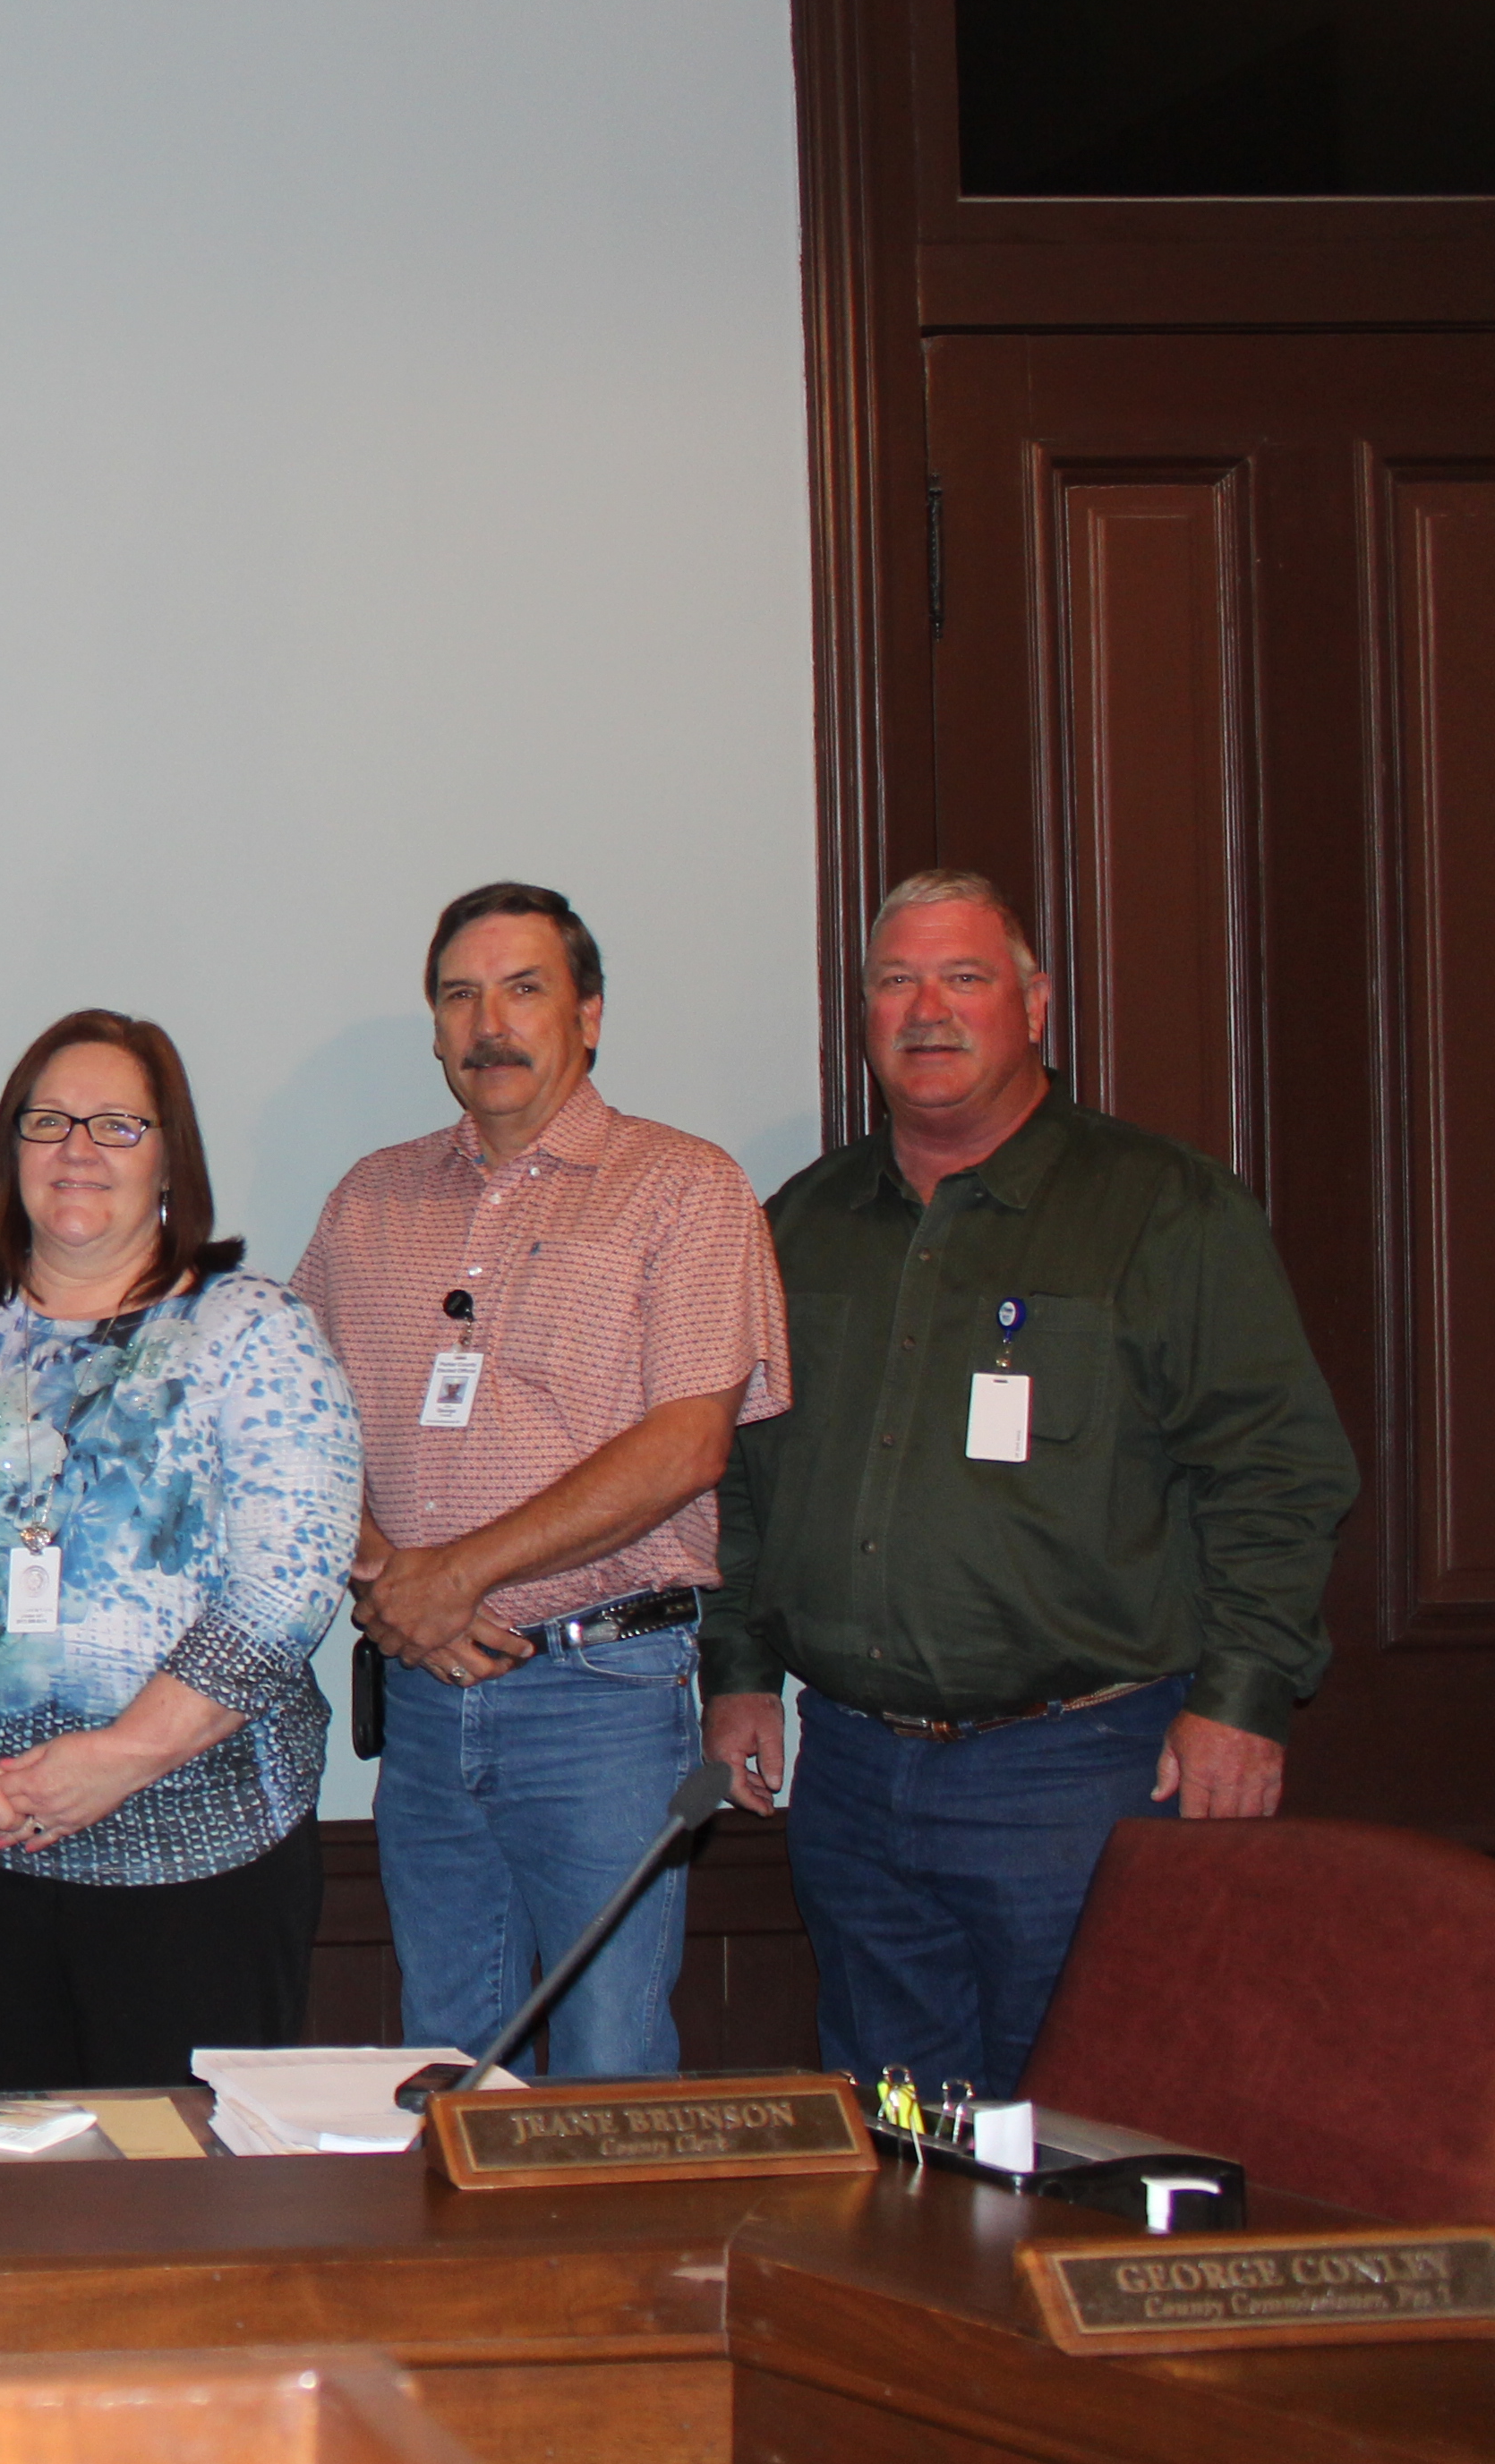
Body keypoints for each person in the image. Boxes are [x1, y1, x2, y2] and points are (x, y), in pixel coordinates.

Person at [706, 871, 1353, 2101]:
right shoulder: (802, 1226)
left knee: (1085, 2137)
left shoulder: (1161, 1209)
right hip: (851, 1775)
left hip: (1081, 1773)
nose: (926, 1012)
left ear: (1037, 1002)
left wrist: (1247, 1697)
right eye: (896, 982)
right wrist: (738, 1672)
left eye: (965, 978)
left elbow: (1277, 1467)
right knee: (898, 2151)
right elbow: (738, 1472)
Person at [295, 883, 788, 2081]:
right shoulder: (372, 1200)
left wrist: (457, 1574)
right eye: (460, 994)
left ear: (592, 1016)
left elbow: (687, 1447)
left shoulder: (684, 1188)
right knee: (444, 2059)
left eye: (525, 989)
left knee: (609, 2058)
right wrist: (392, 1582)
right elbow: (292, 1431)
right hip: (422, 1696)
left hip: (605, 1695)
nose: (490, 1022)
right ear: (434, 1028)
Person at [0, 1010, 358, 2090]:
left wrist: (122, 1759)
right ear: (9, 1153)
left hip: (201, 1855)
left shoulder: (253, 1329)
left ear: (170, 1158)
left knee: (179, 2207)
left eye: (118, 1125)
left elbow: (287, 1590)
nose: (77, 1150)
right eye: (49, 1121)